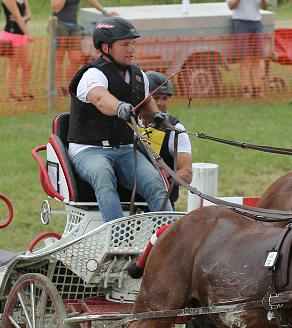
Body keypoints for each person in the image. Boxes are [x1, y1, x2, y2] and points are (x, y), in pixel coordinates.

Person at [67, 16, 178, 222]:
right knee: (103, 177)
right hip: (88, 149)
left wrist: (156, 115)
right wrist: (119, 107)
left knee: (156, 182)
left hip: (126, 148)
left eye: (133, 44)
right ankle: (116, 244)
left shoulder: (138, 75)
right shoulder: (92, 75)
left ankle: (172, 240)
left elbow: (145, 103)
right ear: (105, 47)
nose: (132, 50)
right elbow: (100, 98)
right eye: (125, 44)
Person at [139, 71, 193, 208]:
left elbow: (186, 175)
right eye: (155, 98)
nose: (160, 103)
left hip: (162, 204)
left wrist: (164, 173)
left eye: (165, 98)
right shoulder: (126, 122)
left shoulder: (176, 130)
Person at [51, 0, 119, 96]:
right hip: (59, 24)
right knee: (59, 58)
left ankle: (69, 86)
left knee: (76, 58)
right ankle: (59, 87)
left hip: (74, 25)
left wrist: (104, 11)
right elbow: (56, 8)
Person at [227, 0, 268, 99]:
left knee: (256, 60)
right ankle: (246, 91)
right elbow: (231, 6)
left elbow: (265, 7)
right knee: (244, 59)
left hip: (257, 23)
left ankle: (256, 90)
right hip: (241, 23)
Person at [0, 0, 34, 102]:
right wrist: (28, 33)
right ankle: (11, 95)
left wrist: (22, 18)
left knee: (27, 64)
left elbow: (28, 15)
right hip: (12, 35)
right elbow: (17, 16)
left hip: (21, 35)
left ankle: (25, 92)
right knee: (14, 65)